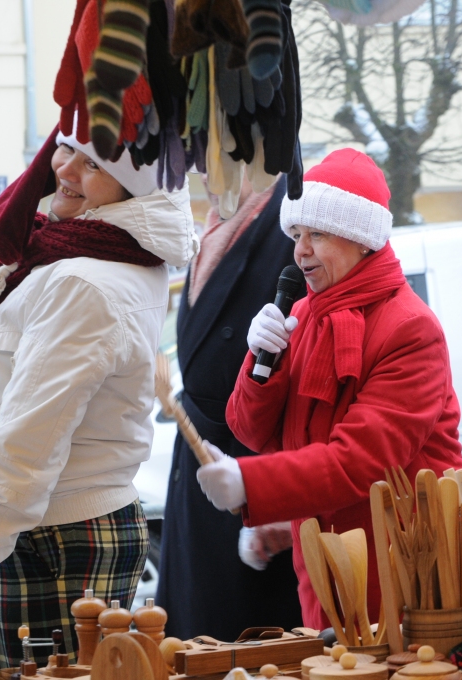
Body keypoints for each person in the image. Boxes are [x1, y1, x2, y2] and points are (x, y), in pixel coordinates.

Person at [0, 125, 198, 671]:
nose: (66, 169)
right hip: (47, 529)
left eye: (95, 166)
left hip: (57, 538)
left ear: (131, 189)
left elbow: (24, 446)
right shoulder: (87, 256)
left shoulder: (83, 281)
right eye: (67, 150)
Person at [195, 148, 462, 629]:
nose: (300, 251)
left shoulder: (410, 328)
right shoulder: (306, 315)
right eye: (296, 234)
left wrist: (252, 484)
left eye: (318, 235)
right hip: (329, 578)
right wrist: (257, 363)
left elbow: (360, 460)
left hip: (414, 581)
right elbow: (248, 429)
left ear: (361, 239)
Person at [156, 173, 304, 640]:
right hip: (201, 463)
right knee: (196, 637)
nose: (201, 166)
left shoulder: (290, 224)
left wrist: (275, 498)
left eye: (214, 146)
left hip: (251, 468)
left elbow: (303, 381)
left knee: (249, 645)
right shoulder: (217, 222)